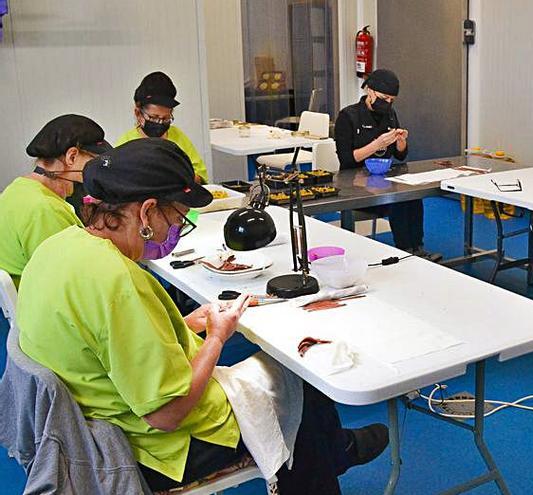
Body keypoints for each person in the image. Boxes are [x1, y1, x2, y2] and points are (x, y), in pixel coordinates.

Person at [16, 138, 388, 494]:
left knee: (289, 388)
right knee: (302, 378)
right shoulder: (117, 282)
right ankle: (333, 454)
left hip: (96, 417)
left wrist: (183, 325)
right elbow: (167, 414)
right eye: (177, 218)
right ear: (146, 211)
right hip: (161, 449)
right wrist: (215, 338)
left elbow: (101, 338)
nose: (176, 230)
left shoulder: (58, 247)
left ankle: (333, 451)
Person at [334, 68, 441, 261]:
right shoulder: (348, 116)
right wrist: (377, 144)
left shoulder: (389, 114)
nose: (388, 103)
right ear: (370, 91)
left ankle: (418, 248)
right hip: (354, 185)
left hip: (382, 179)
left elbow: (400, 156)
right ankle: (406, 251)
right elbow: (347, 160)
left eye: (392, 100)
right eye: (384, 98)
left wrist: (401, 142)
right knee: (398, 199)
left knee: (412, 195)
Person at [0, 114, 111, 287]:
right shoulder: (45, 210)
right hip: (35, 303)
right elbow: (74, 279)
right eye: (93, 162)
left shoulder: (16, 189)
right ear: (72, 157)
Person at [116, 71, 208, 183]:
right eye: (153, 117)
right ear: (138, 113)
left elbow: (200, 176)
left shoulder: (177, 136)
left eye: (165, 118)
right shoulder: (126, 143)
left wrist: (178, 177)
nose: (159, 123)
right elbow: (117, 181)